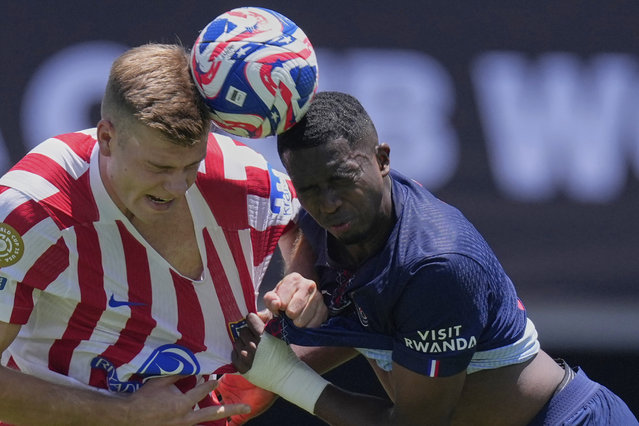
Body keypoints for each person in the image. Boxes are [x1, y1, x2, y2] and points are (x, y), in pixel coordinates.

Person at [218, 91, 638, 425]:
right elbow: (372, 321)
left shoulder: (435, 267)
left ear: (383, 160)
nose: (328, 205)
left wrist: (286, 377)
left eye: (341, 179)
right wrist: (297, 283)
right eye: (310, 190)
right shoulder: (332, 216)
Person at [0, 43, 304, 425]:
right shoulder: (33, 207)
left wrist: (300, 279)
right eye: (158, 166)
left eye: (190, 165)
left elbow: (314, 228)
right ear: (107, 138)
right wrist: (123, 414)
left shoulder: (236, 175)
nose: (177, 186)